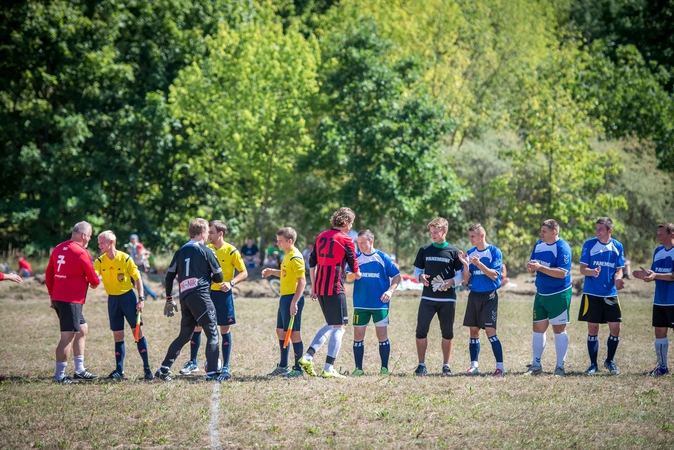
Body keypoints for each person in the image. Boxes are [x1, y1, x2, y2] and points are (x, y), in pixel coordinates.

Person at [155, 218, 226, 381]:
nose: (208, 235)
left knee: (185, 335)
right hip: (200, 296)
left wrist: (168, 297)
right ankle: (213, 373)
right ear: (202, 233)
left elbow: (169, 276)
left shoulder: (180, 251)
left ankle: (164, 369)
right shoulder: (206, 250)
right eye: (207, 232)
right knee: (213, 333)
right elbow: (219, 277)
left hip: (185, 297)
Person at [298, 207, 361, 379]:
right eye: (351, 223)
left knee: (332, 324)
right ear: (346, 222)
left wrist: (313, 285)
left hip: (320, 287)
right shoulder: (347, 239)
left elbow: (311, 263)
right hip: (335, 287)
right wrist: (357, 273)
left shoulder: (321, 236)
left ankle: (308, 357)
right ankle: (328, 368)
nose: (351, 227)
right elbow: (354, 267)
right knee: (340, 326)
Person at [180, 220, 248, 379]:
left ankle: (225, 367)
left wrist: (231, 283)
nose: (208, 235)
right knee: (197, 327)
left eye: (211, 232)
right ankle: (192, 362)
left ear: (220, 234)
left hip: (223, 296)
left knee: (225, 329)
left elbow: (244, 272)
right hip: (205, 295)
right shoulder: (205, 249)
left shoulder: (231, 251)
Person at [45, 221, 101, 384]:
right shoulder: (81, 252)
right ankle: (60, 376)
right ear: (84, 235)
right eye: (89, 236)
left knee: (82, 329)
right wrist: (96, 280)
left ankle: (79, 370)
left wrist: (52, 295)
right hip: (71, 299)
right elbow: (92, 278)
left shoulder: (58, 248)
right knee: (67, 336)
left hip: (60, 297)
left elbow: (49, 275)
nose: (89, 239)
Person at [94, 230, 153, 380]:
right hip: (112, 300)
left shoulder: (125, 259)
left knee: (137, 333)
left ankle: (147, 369)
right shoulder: (99, 262)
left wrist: (141, 299)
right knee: (118, 335)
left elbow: (137, 278)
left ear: (111, 243)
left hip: (128, 298)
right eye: (98, 242)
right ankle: (119, 370)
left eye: (102, 242)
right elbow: (93, 280)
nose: (99, 245)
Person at [412, 217, 464, 376]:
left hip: (448, 299)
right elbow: (417, 271)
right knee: (421, 330)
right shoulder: (424, 250)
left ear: (444, 231)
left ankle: (446, 366)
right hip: (427, 298)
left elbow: (461, 275)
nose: (432, 235)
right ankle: (421, 365)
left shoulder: (454, 252)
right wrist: (420, 277)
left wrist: (452, 282)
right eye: (431, 232)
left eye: (436, 232)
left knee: (447, 332)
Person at [346, 230, 400, 376]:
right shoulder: (356, 258)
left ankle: (384, 368)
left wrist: (389, 291)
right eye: (358, 243)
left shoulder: (383, 257)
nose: (360, 245)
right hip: (360, 304)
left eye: (363, 242)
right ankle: (358, 368)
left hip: (379, 305)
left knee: (382, 335)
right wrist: (353, 275)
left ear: (371, 241)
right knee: (358, 336)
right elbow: (348, 278)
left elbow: (396, 276)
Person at [524, 219, 573, 377]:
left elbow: (562, 273)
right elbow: (534, 265)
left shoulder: (563, 247)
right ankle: (536, 365)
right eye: (541, 230)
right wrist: (531, 268)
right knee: (537, 329)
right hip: (541, 294)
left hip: (559, 294)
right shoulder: (538, 245)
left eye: (544, 231)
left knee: (559, 330)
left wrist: (540, 267)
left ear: (554, 232)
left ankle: (560, 367)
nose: (541, 234)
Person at [578, 217, 626, 375]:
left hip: (610, 293)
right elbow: (582, 269)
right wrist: (592, 272)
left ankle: (609, 361)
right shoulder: (589, 244)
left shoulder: (617, 246)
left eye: (601, 229)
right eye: (596, 228)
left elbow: (619, 269)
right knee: (592, 328)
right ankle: (593, 364)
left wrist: (618, 279)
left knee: (616, 328)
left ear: (609, 231)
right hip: (592, 293)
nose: (597, 232)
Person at [458, 223, 505, 376]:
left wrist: (479, 264)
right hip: (474, 296)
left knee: (490, 331)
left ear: (482, 236)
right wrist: (466, 266)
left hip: (489, 296)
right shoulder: (470, 253)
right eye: (469, 236)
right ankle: (474, 365)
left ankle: (500, 367)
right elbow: (466, 281)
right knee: (473, 330)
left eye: (473, 236)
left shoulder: (494, 252)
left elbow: (494, 275)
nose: (470, 239)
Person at [262, 227, 307, 378]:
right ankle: (283, 365)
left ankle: (298, 368)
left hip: (292, 298)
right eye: (277, 240)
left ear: (290, 241)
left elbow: (302, 282)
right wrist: (272, 271)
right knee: (280, 331)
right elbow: (286, 273)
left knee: (294, 333)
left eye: (280, 241)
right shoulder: (287, 255)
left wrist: (295, 302)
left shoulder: (296, 257)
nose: (277, 243)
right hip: (284, 298)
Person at [633, 222, 674, 376]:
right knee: (659, 332)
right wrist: (647, 276)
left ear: (672, 235)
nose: (658, 237)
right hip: (660, 299)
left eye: (661, 234)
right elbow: (654, 273)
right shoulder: (658, 251)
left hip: (673, 300)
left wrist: (656, 275)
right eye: (657, 234)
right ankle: (662, 367)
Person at [128, 234, 158, 300]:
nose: (132, 240)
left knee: (140, 282)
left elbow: (143, 252)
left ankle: (153, 295)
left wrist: (138, 255)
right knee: (136, 282)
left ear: (136, 239)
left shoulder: (138, 245)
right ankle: (146, 294)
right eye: (131, 239)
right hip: (136, 266)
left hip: (139, 266)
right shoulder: (134, 246)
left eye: (133, 239)